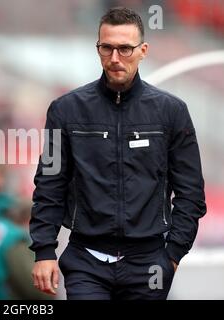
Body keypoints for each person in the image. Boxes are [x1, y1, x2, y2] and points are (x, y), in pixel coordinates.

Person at [29, 7, 206, 300]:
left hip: (150, 263)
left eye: (125, 49)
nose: (114, 58)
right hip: (85, 261)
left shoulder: (171, 112)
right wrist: (44, 250)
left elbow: (191, 193)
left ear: (143, 50)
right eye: (106, 48)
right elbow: (49, 184)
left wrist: (172, 255)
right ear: (97, 48)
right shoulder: (65, 110)